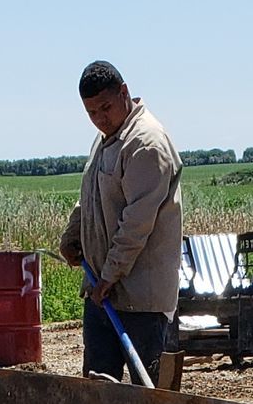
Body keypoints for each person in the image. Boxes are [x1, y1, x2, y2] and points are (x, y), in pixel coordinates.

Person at [58, 63, 181, 384]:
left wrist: (110, 275)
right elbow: (91, 198)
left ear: (124, 93)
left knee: (150, 395)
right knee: (98, 390)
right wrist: (73, 236)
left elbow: (136, 223)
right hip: (103, 293)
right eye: (91, 112)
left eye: (106, 108)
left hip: (140, 299)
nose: (100, 118)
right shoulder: (106, 139)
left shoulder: (146, 144)